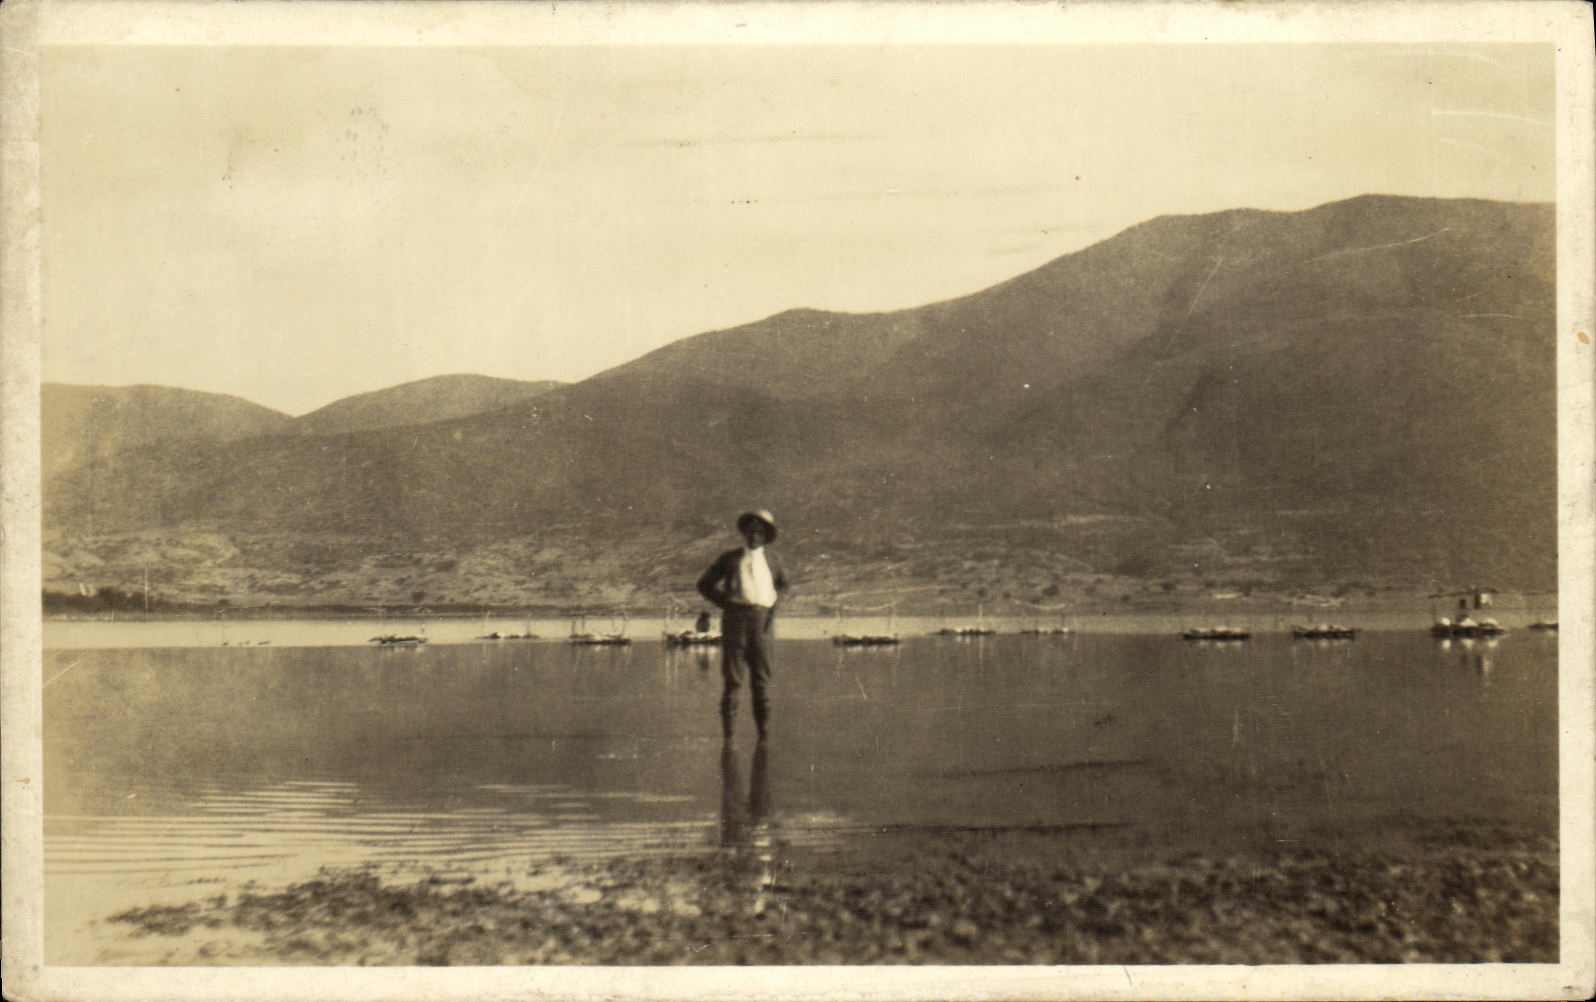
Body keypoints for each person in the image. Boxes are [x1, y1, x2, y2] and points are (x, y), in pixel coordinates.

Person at [697, 509, 790, 743]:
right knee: (733, 681)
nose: (754, 535)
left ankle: (763, 738)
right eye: (750, 530)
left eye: (759, 532)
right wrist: (727, 603)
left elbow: (784, 585)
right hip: (735, 623)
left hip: (763, 625)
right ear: (744, 533)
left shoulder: (773, 560)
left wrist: (773, 607)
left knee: (762, 683)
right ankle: (729, 739)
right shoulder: (729, 559)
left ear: (766, 536)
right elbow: (704, 584)